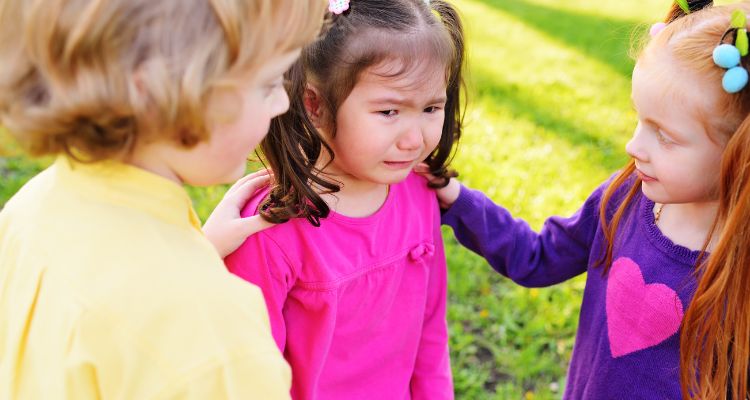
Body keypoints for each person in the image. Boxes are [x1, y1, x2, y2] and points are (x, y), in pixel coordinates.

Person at [0, 0, 327, 398]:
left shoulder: (31, 208)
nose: (283, 104)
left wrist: (199, 250)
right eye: (268, 84)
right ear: (160, 90)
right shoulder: (215, 339)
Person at [422, 1, 749, 398]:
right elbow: (538, 256)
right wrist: (458, 201)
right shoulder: (622, 200)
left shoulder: (739, 259)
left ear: (739, 150)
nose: (634, 146)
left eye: (664, 136)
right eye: (638, 119)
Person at [220, 0, 466, 398]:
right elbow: (247, 374)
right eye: (388, 111)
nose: (414, 138)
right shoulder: (269, 230)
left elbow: (430, 334)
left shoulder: (418, 194)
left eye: (430, 108)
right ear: (313, 105)